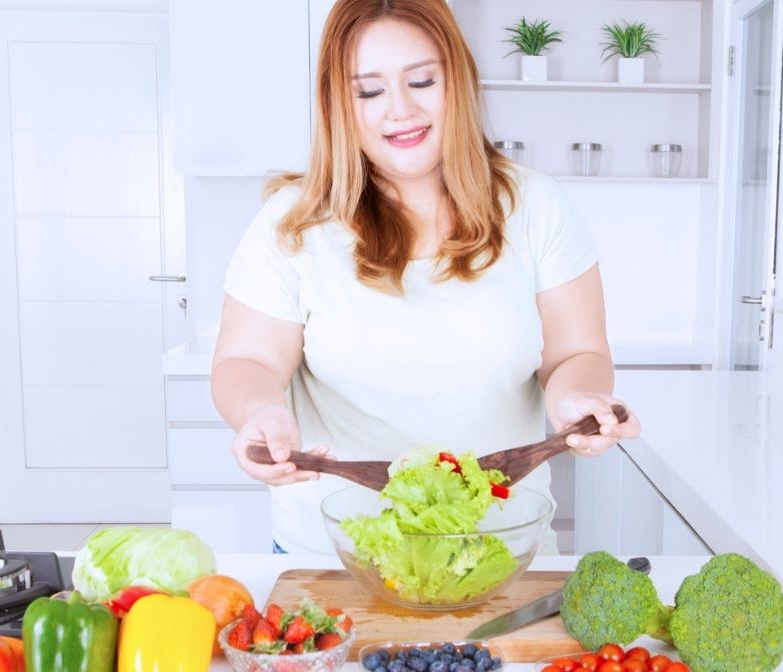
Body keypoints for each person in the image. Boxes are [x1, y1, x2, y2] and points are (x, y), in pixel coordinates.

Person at [210, 0, 641, 555]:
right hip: (333, 558)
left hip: (502, 552)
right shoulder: (292, 222)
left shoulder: (537, 205)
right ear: (339, 104)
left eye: (421, 80)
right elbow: (247, 362)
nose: (400, 110)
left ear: (456, 79)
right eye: (369, 91)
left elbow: (575, 350)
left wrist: (576, 396)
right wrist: (260, 413)